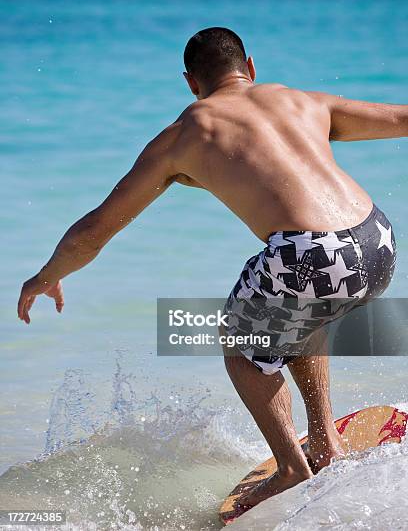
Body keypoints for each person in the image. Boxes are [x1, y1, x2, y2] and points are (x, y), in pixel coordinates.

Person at [18, 27, 406, 508]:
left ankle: (291, 468)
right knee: (300, 313)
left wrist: (48, 275)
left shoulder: (186, 134)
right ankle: (326, 441)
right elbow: (401, 117)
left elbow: (95, 228)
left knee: (242, 345)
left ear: (190, 82)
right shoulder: (298, 100)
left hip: (310, 257)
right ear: (251, 67)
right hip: (377, 240)